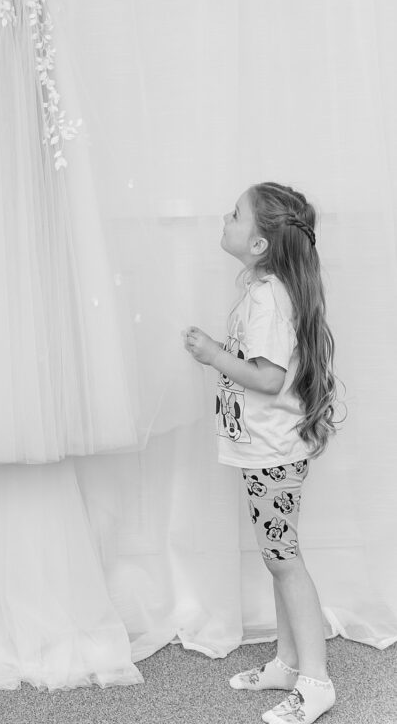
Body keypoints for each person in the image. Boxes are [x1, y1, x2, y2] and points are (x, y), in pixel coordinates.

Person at [184, 182, 341, 724]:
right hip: (264, 451)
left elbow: (269, 379)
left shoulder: (270, 299)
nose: (224, 219)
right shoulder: (261, 289)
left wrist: (212, 356)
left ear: (258, 244)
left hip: (274, 452)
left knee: (284, 560)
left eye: (235, 215)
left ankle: (316, 681)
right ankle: (289, 662)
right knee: (278, 561)